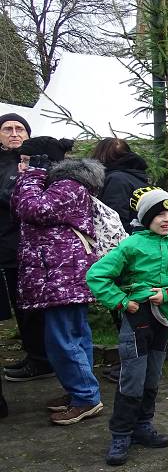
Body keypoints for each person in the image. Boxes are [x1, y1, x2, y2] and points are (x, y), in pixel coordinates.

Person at [86, 188, 168, 465]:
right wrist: (122, 302)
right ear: (146, 218)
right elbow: (97, 275)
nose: (166, 219)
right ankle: (121, 433)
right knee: (133, 376)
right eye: (159, 215)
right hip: (138, 319)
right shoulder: (132, 245)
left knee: (153, 375)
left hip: (164, 317)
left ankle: (143, 426)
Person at [13, 151, 106, 424]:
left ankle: (86, 397)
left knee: (62, 340)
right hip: (62, 276)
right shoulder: (68, 185)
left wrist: (30, 176)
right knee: (74, 336)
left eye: (27, 160)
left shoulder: (67, 185)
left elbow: (34, 209)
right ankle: (80, 391)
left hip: (61, 277)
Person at [0, 114, 54, 385]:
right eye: (7, 129)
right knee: (19, 306)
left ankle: (41, 359)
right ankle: (33, 353)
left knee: (31, 307)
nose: (14, 133)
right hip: (6, 247)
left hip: (29, 248)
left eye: (20, 129)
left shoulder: (36, 164)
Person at [90, 138, 150, 230]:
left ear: (100, 155)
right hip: (138, 237)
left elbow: (113, 220)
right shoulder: (137, 176)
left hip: (123, 240)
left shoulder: (116, 180)